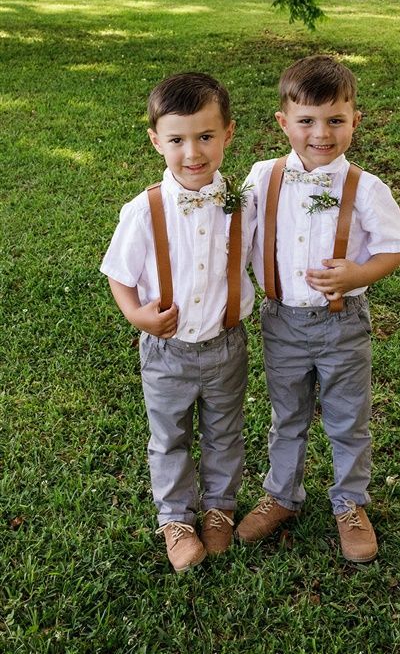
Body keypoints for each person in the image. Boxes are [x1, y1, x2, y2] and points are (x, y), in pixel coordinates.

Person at [235, 55, 400, 562]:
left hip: (341, 323)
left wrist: (357, 275)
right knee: (286, 413)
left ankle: (350, 502)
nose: (321, 133)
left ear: (355, 120)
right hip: (281, 320)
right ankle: (282, 495)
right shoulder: (262, 178)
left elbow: (393, 247)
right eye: (306, 120)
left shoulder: (366, 188)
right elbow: (234, 232)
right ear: (283, 122)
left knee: (346, 417)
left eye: (335, 120)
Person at [100, 72, 254, 572]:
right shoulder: (143, 211)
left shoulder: (243, 203)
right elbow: (119, 275)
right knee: (169, 435)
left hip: (227, 343)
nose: (193, 152)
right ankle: (176, 518)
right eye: (177, 139)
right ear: (155, 141)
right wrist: (136, 313)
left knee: (225, 432)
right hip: (167, 351)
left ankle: (219, 509)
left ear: (228, 133)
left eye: (206, 136)